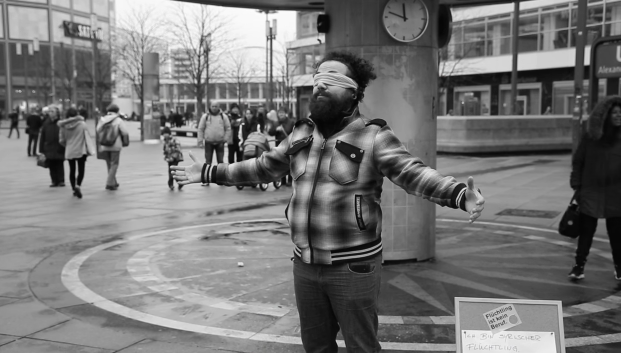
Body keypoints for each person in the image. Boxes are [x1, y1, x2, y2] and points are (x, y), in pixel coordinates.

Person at [171, 51, 485, 353]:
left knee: (361, 346)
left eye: (332, 81)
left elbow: (411, 172)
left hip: (353, 267)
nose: (320, 86)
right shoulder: (301, 135)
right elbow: (262, 167)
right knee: (316, 346)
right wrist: (210, 171)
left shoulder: (373, 136)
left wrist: (459, 194)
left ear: (354, 93)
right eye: (318, 80)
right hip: (304, 266)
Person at [569, 95, 621, 281]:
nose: (618, 115)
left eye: (620, 112)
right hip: (591, 191)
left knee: (616, 234)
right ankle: (579, 266)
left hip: (616, 193)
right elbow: (578, 162)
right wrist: (577, 185)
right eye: (614, 112)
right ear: (604, 115)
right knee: (586, 231)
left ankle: (619, 267)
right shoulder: (591, 137)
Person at [59, 107, 93, 199]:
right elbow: (87, 136)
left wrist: (67, 145)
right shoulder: (82, 124)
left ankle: (74, 189)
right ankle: (78, 185)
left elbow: (61, 140)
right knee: (81, 169)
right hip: (81, 150)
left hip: (70, 149)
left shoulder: (63, 126)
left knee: (72, 170)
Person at [197, 101, 231, 185]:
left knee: (220, 162)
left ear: (219, 107)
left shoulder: (223, 117)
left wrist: (225, 138)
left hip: (220, 142)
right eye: (213, 106)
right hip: (209, 142)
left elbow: (228, 128)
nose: (214, 108)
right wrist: (200, 141)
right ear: (210, 107)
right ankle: (206, 180)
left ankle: (222, 179)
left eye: (216, 106)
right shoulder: (205, 116)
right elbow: (200, 129)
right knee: (208, 162)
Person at [97, 104, 130, 191]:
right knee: (114, 164)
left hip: (104, 145)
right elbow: (125, 132)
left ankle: (113, 182)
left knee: (109, 164)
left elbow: (98, 130)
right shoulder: (118, 120)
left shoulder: (103, 119)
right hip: (115, 144)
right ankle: (109, 183)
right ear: (117, 111)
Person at [39, 106, 65, 187]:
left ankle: (61, 180)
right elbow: (42, 137)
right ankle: (54, 181)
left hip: (59, 147)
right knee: (51, 165)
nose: (50, 113)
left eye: (52, 111)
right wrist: (41, 149)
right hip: (49, 147)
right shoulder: (46, 123)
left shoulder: (61, 123)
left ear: (57, 113)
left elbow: (65, 135)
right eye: (49, 111)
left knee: (60, 164)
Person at [269, 107, 296, 186]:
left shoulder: (291, 122)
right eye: (280, 113)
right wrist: (276, 130)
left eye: (282, 113)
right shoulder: (276, 123)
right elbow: (270, 132)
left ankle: (290, 181)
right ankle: (283, 180)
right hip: (279, 145)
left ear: (285, 113)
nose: (281, 114)